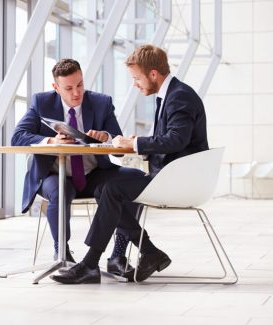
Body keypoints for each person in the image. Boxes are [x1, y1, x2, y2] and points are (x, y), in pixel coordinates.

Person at [51, 44, 209, 284]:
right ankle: (147, 251)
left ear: (153, 74)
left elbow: (176, 140)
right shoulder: (171, 94)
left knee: (111, 189)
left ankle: (91, 264)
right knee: (107, 188)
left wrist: (135, 144)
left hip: (180, 180)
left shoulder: (179, 97)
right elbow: (171, 141)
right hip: (173, 175)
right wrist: (135, 144)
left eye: (137, 78)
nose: (135, 84)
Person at [11, 58, 144, 277]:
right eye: (69, 88)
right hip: (55, 174)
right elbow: (18, 137)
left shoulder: (101, 103)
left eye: (80, 85)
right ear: (56, 88)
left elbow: (119, 147)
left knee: (132, 180)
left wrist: (107, 138)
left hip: (93, 175)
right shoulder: (41, 102)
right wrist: (52, 141)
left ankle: (118, 255)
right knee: (61, 190)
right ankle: (61, 253)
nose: (76, 93)